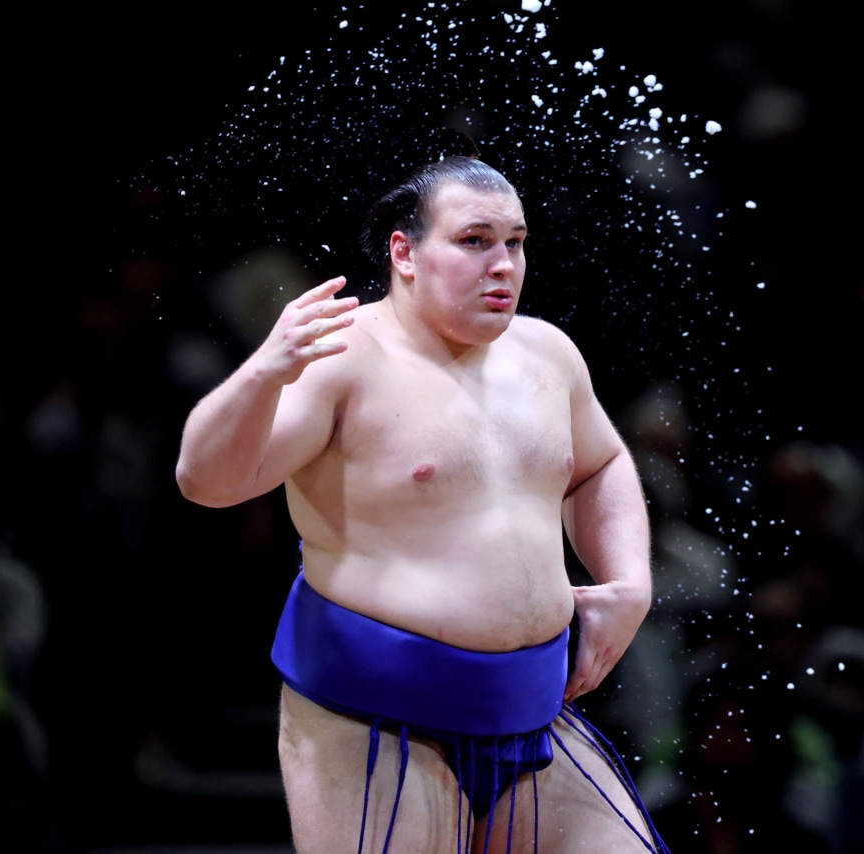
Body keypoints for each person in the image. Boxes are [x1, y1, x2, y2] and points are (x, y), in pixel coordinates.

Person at [175, 149, 669, 853]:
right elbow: (207, 482)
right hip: (371, 720)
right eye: (474, 241)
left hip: (533, 709)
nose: (502, 265)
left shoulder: (548, 353)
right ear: (404, 252)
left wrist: (630, 583)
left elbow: (600, 465)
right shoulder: (340, 357)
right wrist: (262, 373)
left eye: (514, 243)